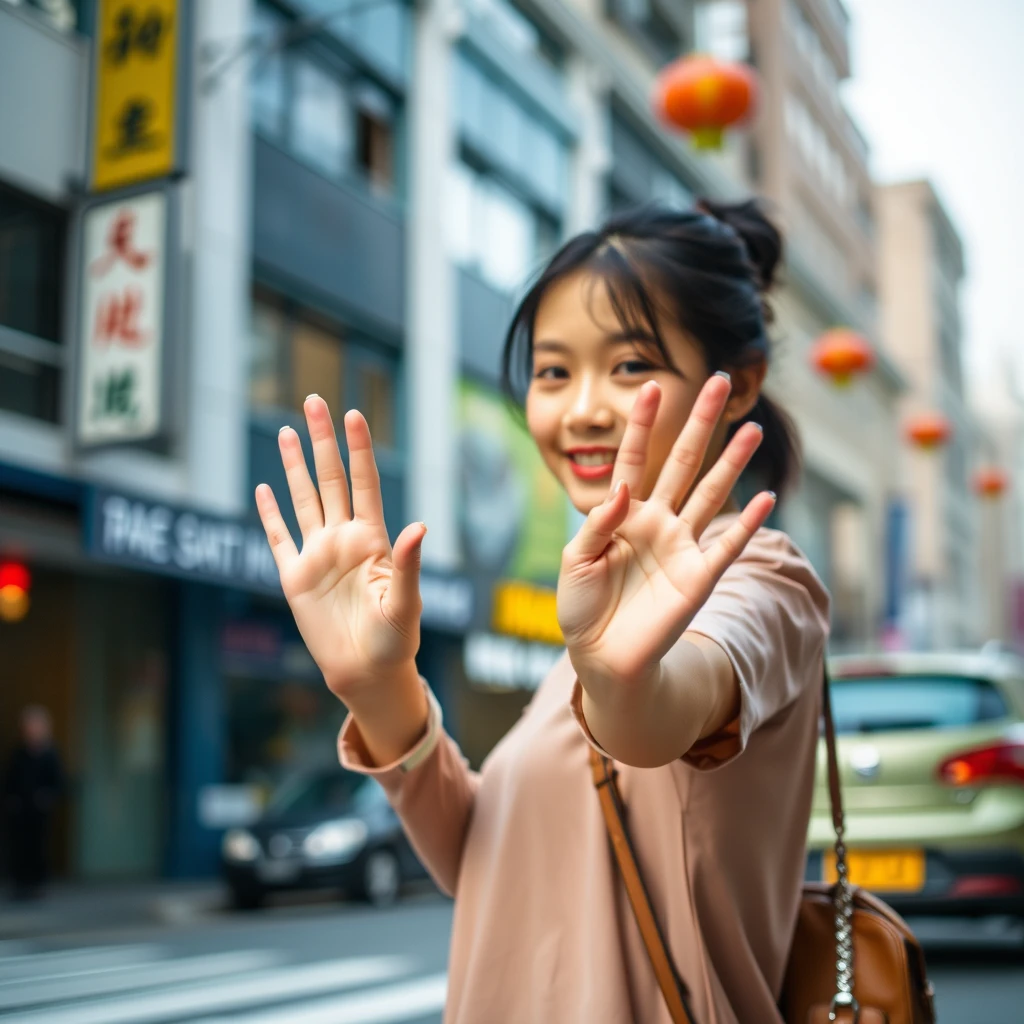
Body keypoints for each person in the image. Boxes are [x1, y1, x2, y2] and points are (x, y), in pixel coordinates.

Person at [255, 201, 830, 1023]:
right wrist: (380, 689)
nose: (584, 409)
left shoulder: (766, 583)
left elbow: (662, 711)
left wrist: (624, 684)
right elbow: (479, 863)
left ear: (736, 385)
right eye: (554, 372)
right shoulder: (591, 628)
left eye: (631, 366)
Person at [3, 705, 65, 901]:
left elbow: (59, 783)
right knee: (19, 847)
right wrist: (11, 800)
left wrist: (46, 798)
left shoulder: (50, 753)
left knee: (39, 847)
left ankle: (38, 883)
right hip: (20, 811)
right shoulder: (19, 753)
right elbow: (9, 780)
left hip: (39, 813)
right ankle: (21, 883)